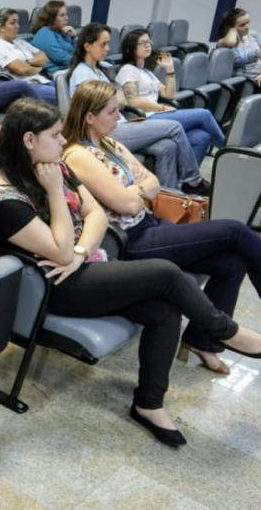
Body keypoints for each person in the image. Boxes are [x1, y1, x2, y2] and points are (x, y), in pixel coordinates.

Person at [0, 97, 261, 446]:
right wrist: (56, 196)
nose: (62, 141)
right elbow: (59, 249)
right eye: (54, 135)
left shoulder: (52, 163)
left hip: (85, 267)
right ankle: (226, 331)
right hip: (55, 288)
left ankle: (149, 404)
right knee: (165, 273)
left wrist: (81, 251)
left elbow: (96, 214)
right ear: (28, 140)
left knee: (164, 309)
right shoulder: (4, 194)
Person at [62, 80, 261, 375]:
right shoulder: (79, 154)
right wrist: (139, 191)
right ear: (89, 116)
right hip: (132, 240)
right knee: (234, 231)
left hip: (149, 225)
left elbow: (152, 181)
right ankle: (217, 335)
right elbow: (129, 204)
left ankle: (201, 342)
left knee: (232, 263)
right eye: (112, 111)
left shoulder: (108, 142)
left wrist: (137, 191)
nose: (119, 117)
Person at [68, 24, 210, 193]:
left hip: (118, 123)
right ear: (87, 46)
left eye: (108, 44)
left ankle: (170, 197)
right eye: (103, 44)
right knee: (175, 127)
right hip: (106, 131)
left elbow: (119, 99)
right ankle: (193, 180)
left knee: (168, 147)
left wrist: (117, 99)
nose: (108, 48)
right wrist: (117, 99)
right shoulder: (82, 73)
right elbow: (98, 105)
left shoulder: (100, 70)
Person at [116, 29, 225, 164]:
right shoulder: (128, 70)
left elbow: (169, 93)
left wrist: (169, 69)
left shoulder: (146, 72)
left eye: (148, 42)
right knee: (204, 115)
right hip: (143, 118)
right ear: (130, 49)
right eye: (142, 43)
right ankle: (227, 152)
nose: (147, 45)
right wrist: (161, 108)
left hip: (155, 114)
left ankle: (188, 182)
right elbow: (133, 101)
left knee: (202, 137)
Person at [0, 9, 58, 104]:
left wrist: (28, 62)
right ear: (1, 27)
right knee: (69, 98)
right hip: (29, 87)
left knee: (74, 92)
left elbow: (44, 57)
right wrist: (38, 67)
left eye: (18, 22)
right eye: (12, 23)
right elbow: (21, 70)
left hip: (42, 81)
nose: (17, 26)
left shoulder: (20, 42)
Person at [216, 7, 261, 89]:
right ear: (230, 27)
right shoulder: (223, 42)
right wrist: (232, 30)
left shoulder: (254, 35)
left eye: (248, 23)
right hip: (242, 83)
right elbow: (231, 42)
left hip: (258, 79)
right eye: (242, 25)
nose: (247, 27)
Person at [30, 0, 77, 76]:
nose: (66, 18)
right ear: (52, 18)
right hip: (55, 74)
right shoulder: (44, 33)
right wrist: (84, 60)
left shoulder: (62, 31)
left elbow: (77, 52)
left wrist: (74, 37)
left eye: (66, 14)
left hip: (68, 70)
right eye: (62, 15)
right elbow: (61, 58)